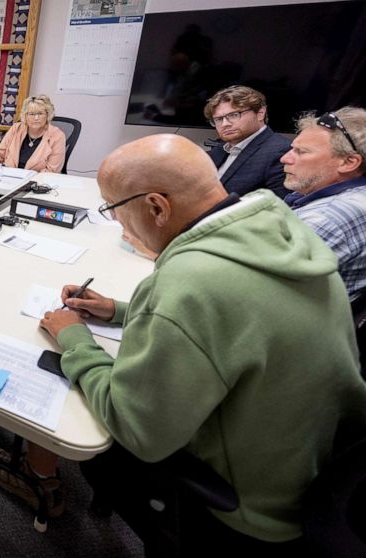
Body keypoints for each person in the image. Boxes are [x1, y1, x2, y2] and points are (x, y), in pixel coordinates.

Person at [33, 134, 366, 554]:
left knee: (92, 448)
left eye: (114, 210)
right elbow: (240, 315)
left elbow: (137, 429)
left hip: (247, 507)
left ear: (157, 206)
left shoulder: (191, 283)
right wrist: (119, 309)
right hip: (311, 461)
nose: (117, 223)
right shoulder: (277, 231)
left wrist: (74, 339)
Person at [281, 107, 366, 300]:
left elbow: (256, 290)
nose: (285, 158)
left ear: (348, 162)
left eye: (301, 152)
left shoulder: (326, 218)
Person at [203, 85, 291, 198]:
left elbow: (277, 209)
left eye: (233, 115)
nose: (225, 124)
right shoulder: (218, 150)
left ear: (260, 113)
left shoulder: (281, 152)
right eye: (219, 119)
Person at [0, 95, 64, 173]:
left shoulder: (57, 136)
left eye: (40, 113)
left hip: (36, 186)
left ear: (48, 115)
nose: (36, 118)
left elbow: (52, 171)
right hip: (9, 179)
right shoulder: (17, 128)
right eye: (31, 114)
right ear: (25, 116)